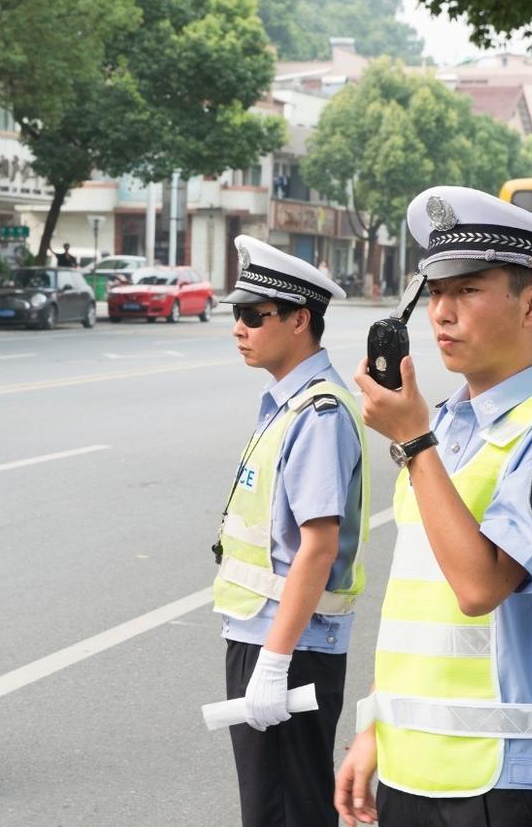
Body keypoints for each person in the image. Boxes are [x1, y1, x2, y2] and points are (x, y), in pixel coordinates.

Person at [338, 186, 532, 827]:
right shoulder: (440, 426)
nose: (442, 313)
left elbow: (478, 587)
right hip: (408, 765)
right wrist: (373, 727)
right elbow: (419, 603)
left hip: (503, 777)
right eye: (435, 293)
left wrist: (413, 441)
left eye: (467, 290)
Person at [213, 235, 369, 826]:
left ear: (300, 320)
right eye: (237, 315)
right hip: (273, 635)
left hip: (290, 645)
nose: (239, 328)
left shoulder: (318, 414)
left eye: (255, 316)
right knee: (275, 808)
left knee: (285, 812)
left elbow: (318, 546)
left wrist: (274, 662)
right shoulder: (288, 403)